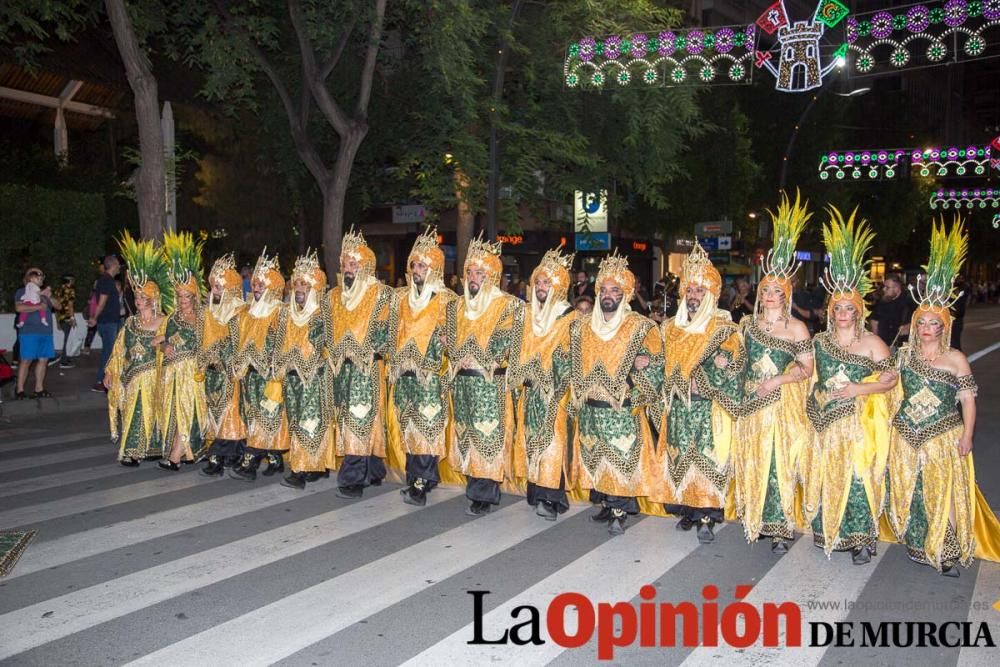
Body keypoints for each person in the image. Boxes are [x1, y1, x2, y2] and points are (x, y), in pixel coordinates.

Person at [886, 218, 1000, 576]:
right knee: (912, 488)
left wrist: (966, 435)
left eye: (934, 323)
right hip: (906, 432)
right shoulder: (904, 353)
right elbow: (889, 382)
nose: (927, 328)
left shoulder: (956, 358)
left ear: (944, 327)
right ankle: (919, 543)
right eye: (922, 322)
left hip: (943, 434)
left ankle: (947, 550)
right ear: (915, 324)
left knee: (944, 490)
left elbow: (967, 400)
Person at [800, 206, 897, 566]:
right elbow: (809, 374)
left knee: (859, 478)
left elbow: (890, 379)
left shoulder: (873, 343)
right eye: (837, 308)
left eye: (848, 308)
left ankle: (863, 540)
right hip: (824, 422)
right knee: (829, 477)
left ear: (858, 312)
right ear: (831, 311)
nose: (842, 313)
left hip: (857, 425)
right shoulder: (820, 340)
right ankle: (834, 532)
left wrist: (859, 391)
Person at [733, 193, 814, 553]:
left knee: (779, 463)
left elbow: (806, 367)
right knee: (754, 460)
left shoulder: (797, 328)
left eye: (776, 291)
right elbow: (738, 359)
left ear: (786, 295)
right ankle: (758, 519)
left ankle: (781, 528)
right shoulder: (748, 323)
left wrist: (778, 380)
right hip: (752, 403)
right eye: (765, 289)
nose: (769, 294)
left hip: (780, 405)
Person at [569, 251, 663, 535]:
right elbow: (572, 359)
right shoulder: (583, 326)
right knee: (597, 456)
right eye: (604, 290)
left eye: (615, 290)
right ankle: (609, 504)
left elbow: (657, 364)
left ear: (627, 294)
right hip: (591, 405)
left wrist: (634, 384)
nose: (608, 295)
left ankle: (620, 510)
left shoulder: (640, 326)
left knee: (621, 457)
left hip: (620, 408)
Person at [656, 243, 743, 544]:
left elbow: (732, 361)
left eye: (700, 292)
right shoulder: (670, 327)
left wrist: (703, 379)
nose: (693, 297)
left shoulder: (723, 326)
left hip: (708, 407)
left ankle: (706, 516)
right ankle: (688, 510)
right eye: (690, 291)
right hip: (678, 405)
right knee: (681, 458)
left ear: (711, 294)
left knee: (707, 461)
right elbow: (660, 361)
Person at [447, 233, 524, 515]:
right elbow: (451, 340)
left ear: (491, 275)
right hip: (464, 382)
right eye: (469, 272)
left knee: (488, 436)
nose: (473, 277)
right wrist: (455, 351)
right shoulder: (456, 306)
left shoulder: (509, 305)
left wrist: (472, 354)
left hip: (490, 383)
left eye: (479, 272)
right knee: (467, 433)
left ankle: (484, 493)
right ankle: (475, 485)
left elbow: (506, 342)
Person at [386, 227, 458, 506]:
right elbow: (392, 331)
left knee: (427, 426)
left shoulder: (447, 299)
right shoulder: (400, 297)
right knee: (409, 425)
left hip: (431, 377)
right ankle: (417, 476)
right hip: (404, 374)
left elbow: (456, 336)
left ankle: (421, 482)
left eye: (423, 265)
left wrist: (447, 341)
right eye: (414, 264)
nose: (417, 269)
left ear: (435, 269)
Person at [508, 248, 576, 521]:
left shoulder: (569, 317)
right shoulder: (525, 314)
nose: (541, 287)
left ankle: (552, 498)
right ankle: (538, 492)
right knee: (532, 440)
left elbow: (571, 357)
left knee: (552, 443)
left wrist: (550, 373)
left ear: (558, 286)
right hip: (529, 391)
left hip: (555, 394)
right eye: (538, 282)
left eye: (547, 282)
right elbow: (516, 350)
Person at [327, 228, 393, 498]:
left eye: (353, 264)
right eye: (344, 264)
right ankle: (373, 470)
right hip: (341, 370)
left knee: (360, 417)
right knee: (354, 419)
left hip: (367, 368)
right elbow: (322, 329)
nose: (347, 269)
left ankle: (353, 478)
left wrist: (364, 350)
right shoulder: (333, 296)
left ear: (365, 266)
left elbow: (387, 330)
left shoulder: (380, 294)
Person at [104, 233, 171, 465]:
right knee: (133, 410)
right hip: (132, 374)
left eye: (143, 297)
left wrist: (162, 344)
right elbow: (118, 349)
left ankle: (153, 449)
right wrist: (110, 372)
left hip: (155, 374)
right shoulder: (131, 322)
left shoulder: (164, 321)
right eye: (137, 296)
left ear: (153, 299)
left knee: (151, 410)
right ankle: (132, 450)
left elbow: (172, 347)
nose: (138, 300)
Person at [229, 249, 289, 481]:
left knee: (266, 418)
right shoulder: (246, 312)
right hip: (249, 376)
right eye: (254, 284)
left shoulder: (280, 312)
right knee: (254, 418)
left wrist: (275, 372)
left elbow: (282, 343)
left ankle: (250, 462)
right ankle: (275, 459)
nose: (255, 288)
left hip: (269, 377)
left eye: (261, 285)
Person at [279, 250, 335, 490]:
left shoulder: (322, 313)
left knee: (310, 421)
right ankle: (316, 466)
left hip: (314, 377)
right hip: (291, 377)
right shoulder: (286, 313)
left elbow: (326, 344)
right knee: (296, 421)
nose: (298, 289)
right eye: (296, 284)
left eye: (304, 284)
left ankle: (301, 469)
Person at [156, 232, 209, 471]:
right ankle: (189, 452)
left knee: (187, 410)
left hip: (193, 371)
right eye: (179, 296)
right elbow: (155, 341)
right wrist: (164, 346)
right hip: (172, 372)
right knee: (177, 412)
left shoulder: (203, 317)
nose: (183, 300)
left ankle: (175, 456)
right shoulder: (171, 318)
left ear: (195, 296)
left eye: (187, 296)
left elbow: (210, 342)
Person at [198, 254, 248, 477]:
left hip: (231, 373)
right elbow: (201, 340)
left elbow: (240, 343)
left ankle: (217, 456)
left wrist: (222, 357)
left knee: (230, 414)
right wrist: (204, 361)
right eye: (214, 285)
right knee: (215, 414)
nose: (216, 290)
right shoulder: (206, 311)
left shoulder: (239, 311)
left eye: (220, 286)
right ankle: (231, 454)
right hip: (211, 374)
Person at [13, 268, 60, 399]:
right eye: (36, 274)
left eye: (41, 275)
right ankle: (20, 390)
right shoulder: (22, 292)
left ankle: (39, 389)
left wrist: (49, 296)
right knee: (26, 360)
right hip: (28, 331)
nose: (40, 276)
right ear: (29, 278)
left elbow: (59, 306)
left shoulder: (45, 293)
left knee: (43, 360)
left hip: (46, 332)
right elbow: (19, 308)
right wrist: (39, 307)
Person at [89, 255, 122, 392]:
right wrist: (94, 318)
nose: (120, 267)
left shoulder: (107, 280)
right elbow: (101, 302)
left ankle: (105, 379)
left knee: (109, 351)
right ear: (113, 265)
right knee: (109, 352)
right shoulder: (106, 281)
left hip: (111, 321)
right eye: (118, 264)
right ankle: (101, 381)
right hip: (108, 322)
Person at [870, 274, 914, 348]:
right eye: (884, 286)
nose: (884, 289)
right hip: (883, 344)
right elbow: (874, 320)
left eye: (887, 287)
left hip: (901, 345)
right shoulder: (882, 301)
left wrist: (909, 326)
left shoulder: (909, 302)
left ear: (897, 288)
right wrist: (876, 340)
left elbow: (919, 319)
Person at [55, 274, 76, 368]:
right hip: (67, 318)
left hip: (61, 318)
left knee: (66, 339)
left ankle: (65, 358)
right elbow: (70, 305)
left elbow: (56, 307)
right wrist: (72, 318)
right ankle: (63, 361)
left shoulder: (58, 290)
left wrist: (57, 321)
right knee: (67, 340)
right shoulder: (70, 290)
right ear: (70, 280)